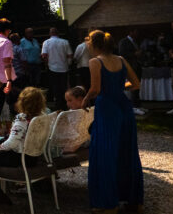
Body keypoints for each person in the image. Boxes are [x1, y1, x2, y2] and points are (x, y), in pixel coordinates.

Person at [83, 29, 143, 213]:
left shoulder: (95, 61)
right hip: (123, 107)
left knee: (105, 152)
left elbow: (95, 88)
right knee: (126, 151)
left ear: (94, 44)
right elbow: (136, 84)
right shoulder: (122, 60)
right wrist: (118, 86)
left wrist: (85, 100)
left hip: (107, 108)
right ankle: (133, 201)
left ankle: (108, 204)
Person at [0, 87, 47, 167]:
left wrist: (0, 147)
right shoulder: (42, 116)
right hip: (34, 157)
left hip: (20, 158)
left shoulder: (22, 119)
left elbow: (12, 142)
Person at [42, 27, 73, 110]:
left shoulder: (46, 42)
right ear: (58, 33)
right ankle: (66, 103)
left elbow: (44, 55)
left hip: (52, 68)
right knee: (64, 87)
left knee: (55, 87)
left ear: (50, 34)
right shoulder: (65, 42)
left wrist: (47, 64)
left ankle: (58, 105)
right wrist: (68, 64)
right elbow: (70, 55)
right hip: (64, 68)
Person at [118, 28, 143, 110]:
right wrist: (134, 54)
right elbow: (122, 53)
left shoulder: (135, 42)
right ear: (131, 32)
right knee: (133, 86)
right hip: (130, 67)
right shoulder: (124, 41)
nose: (137, 34)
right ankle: (134, 107)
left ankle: (137, 105)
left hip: (137, 66)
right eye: (136, 32)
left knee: (137, 85)